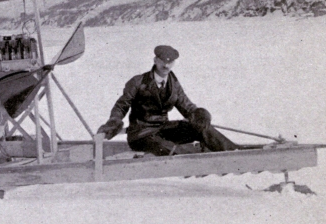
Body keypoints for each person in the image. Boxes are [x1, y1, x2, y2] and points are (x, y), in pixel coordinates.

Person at [97, 45, 239, 156]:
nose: (166, 66)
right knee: (172, 152)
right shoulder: (138, 82)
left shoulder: (173, 84)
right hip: (142, 135)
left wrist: (199, 116)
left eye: (170, 63)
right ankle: (198, 162)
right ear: (155, 60)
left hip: (163, 130)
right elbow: (121, 106)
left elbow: (186, 106)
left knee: (201, 128)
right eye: (162, 62)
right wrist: (113, 122)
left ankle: (235, 153)